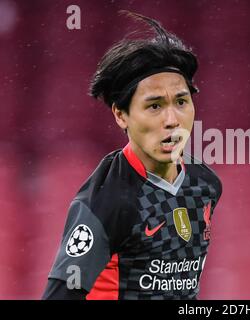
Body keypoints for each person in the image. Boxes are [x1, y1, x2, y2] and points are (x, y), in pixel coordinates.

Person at [42, 11, 222, 300]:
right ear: (121, 114)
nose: (172, 119)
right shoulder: (107, 202)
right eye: (154, 106)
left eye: (181, 101)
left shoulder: (206, 184)